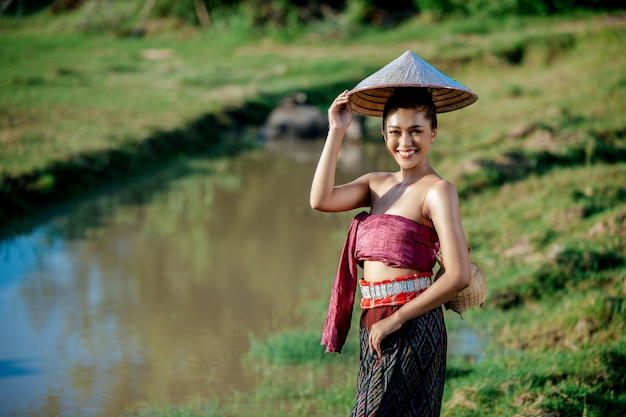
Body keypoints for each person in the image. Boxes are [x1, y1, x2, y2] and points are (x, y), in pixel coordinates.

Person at [310, 87, 472, 416]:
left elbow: (458, 275)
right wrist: (336, 130)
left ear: (434, 133)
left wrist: (396, 319)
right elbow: (321, 199)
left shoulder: (438, 191)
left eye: (416, 131)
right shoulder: (376, 184)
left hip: (411, 322)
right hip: (373, 320)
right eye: (395, 132)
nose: (405, 142)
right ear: (384, 133)